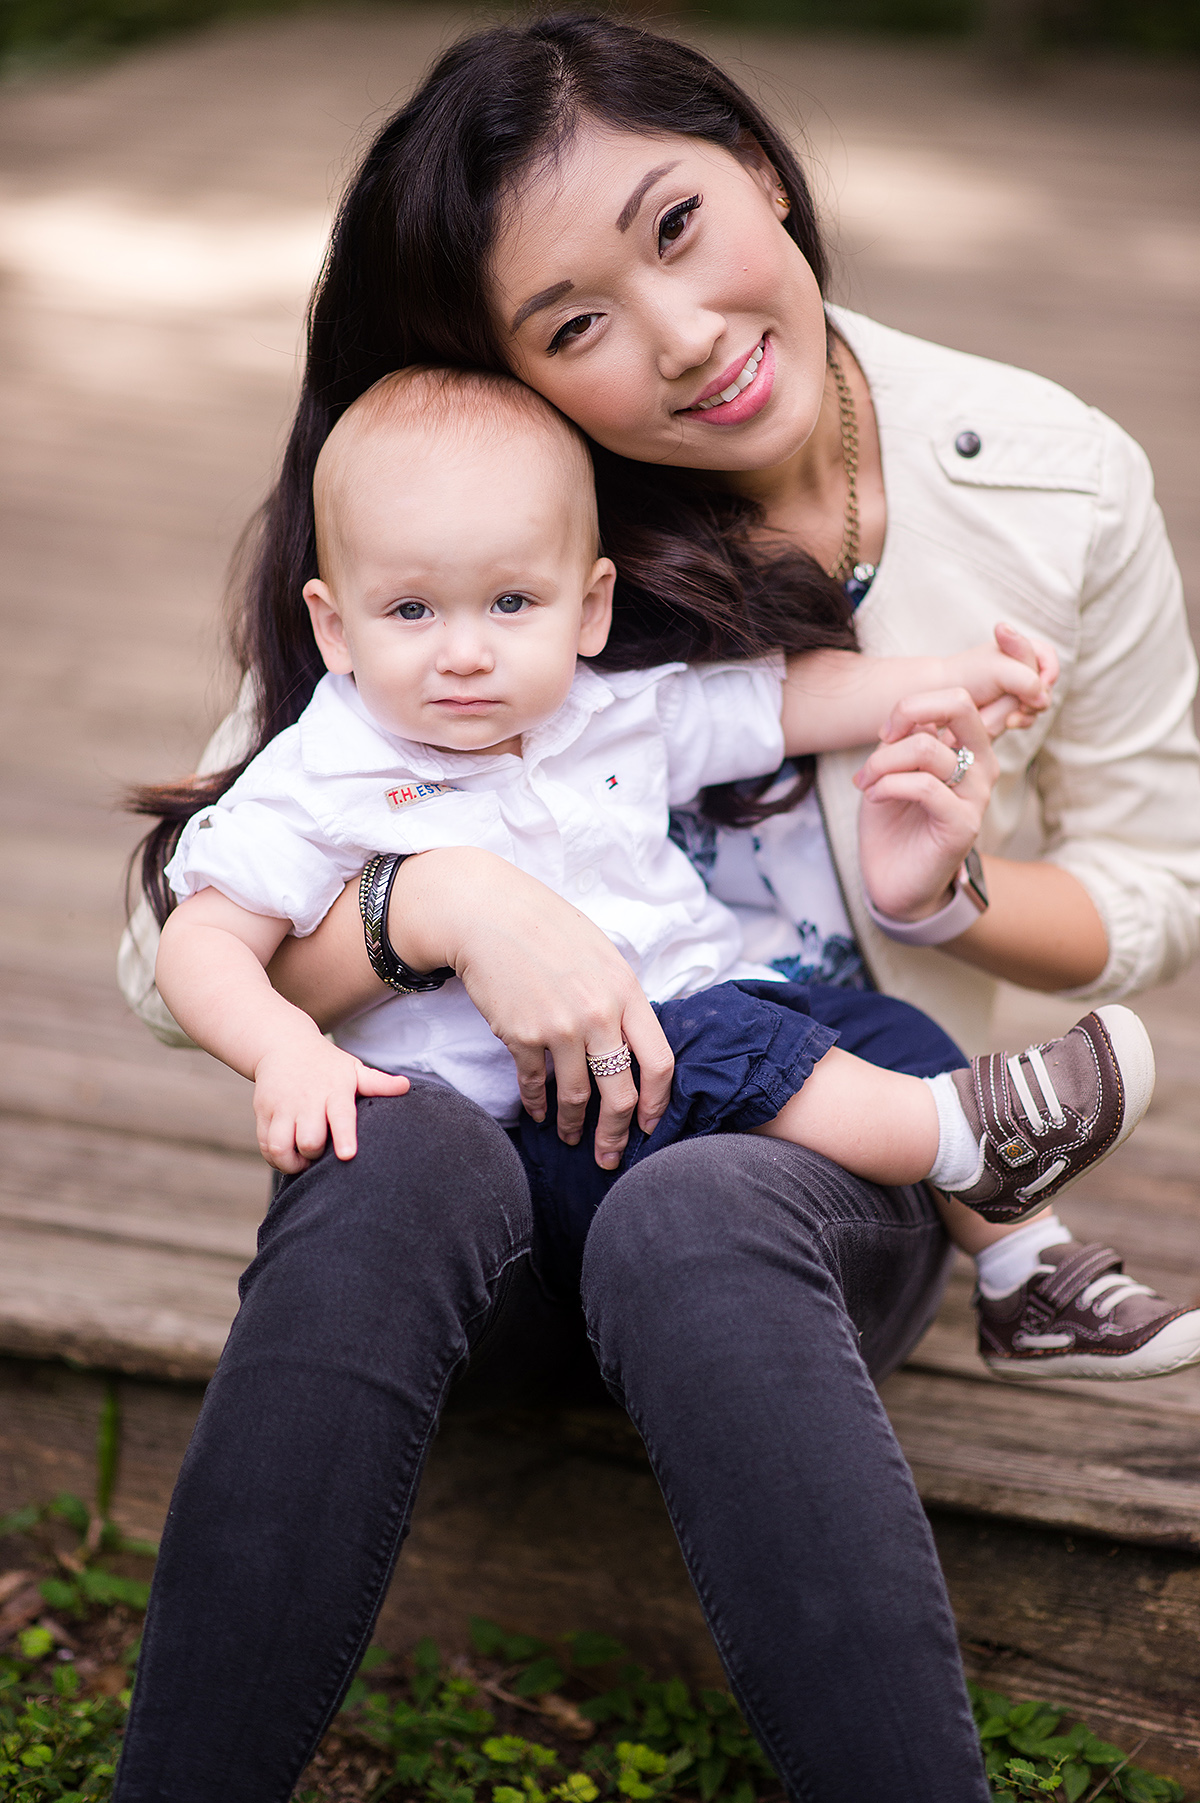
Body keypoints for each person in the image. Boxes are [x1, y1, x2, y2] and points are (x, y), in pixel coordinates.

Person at [114, 17, 1200, 1802]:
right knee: (386, 1160)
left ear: (759, 166)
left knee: (699, 1209)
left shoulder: (1053, 475)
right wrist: (438, 905)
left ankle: (967, 1179)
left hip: (791, 1205)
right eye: (574, 320)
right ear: (510, 365)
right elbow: (171, 958)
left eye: (678, 224)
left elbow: (1151, 878)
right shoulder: (467, 525)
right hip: (504, 1178)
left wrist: (960, 881)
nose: (679, 334)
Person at [155, 364, 1165, 1307]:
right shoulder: (326, 769)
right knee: (726, 1038)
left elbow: (779, 705)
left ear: (590, 607)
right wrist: (285, 1050)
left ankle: (1028, 1273)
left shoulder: (607, 711)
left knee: (892, 1034)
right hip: (543, 1122)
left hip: (698, 1028)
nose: (464, 652)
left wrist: (945, 683)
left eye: (512, 603)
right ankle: (956, 1136)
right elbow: (196, 943)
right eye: (411, 610)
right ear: (336, 629)